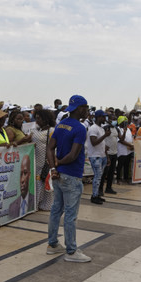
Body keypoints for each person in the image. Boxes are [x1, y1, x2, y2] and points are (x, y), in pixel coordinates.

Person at [46, 95, 91, 263]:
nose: (87, 111)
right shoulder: (80, 128)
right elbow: (73, 155)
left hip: (58, 175)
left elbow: (50, 148)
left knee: (56, 210)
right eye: (85, 107)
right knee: (71, 215)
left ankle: (52, 245)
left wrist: (53, 167)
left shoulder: (60, 126)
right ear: (79, 109)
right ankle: (71, 251)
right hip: (72, 176)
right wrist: (59, 163)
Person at [31, 109, 56, 211]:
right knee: (37, 183)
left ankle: (45, 204)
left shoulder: (51, 131)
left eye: (39, 119)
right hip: (35, 161)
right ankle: (35, 204)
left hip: (45, 161)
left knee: (44, 181)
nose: (37, 121)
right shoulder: (35, 130)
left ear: (46, 119)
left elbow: (54, 147)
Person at [87, 110, 110, 205]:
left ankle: (97, 195)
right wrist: (105, 135)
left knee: (100, 177)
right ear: (99, 117)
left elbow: (101, 143)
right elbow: (94, 142)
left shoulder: (101, 128)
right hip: (95, 156)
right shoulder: (93, 128)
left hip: (102, 155)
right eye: (103, 117)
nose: (105, 119)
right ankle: (94, 196)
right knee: (97, 176)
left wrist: (107, 156)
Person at [7, 154, 33, 219]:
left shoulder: (34, 202)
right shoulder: (12, 207)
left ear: (29, 175)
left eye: (25, 173)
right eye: (20, 174)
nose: (22, 180)